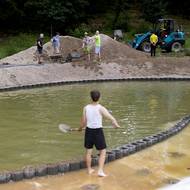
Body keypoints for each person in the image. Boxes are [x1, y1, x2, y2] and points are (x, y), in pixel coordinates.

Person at [79, 90, 120, 177]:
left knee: (88, 152)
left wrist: (80, 128)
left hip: (89, 131)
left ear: (91, 98)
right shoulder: (101, 108)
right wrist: (115, 124)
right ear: (99, 97)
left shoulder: (86, 108)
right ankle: (100, 171)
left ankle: (89, 170)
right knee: (103, 151)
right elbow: (110, 117)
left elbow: (83, 122)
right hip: (98, 132)